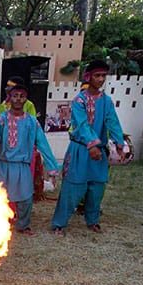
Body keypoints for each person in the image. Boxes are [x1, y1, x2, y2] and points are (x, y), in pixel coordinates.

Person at [50, 60, 128, 236]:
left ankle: (92, 220)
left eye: (103, 76)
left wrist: (120, 144)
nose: (100, 79)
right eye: (97, 75)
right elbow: (82, 125)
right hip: (80, 151)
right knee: (72, 188)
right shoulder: (79, 101)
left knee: (96, 188)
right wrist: (91, 145)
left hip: (99, 152)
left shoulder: (107, 101)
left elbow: (112, 122)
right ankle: (59, 223)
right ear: (88, 77)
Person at [0, 83, 59, 235]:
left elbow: (43, 144)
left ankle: (23, 226)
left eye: (21, 96)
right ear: (9, 98)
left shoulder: (32, 122)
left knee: (25, 198)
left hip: (22, 166)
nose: (18, 99)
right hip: (2, 165)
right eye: (15, 96)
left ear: (26, 100)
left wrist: (52, 168)